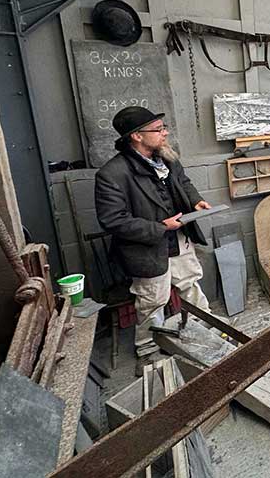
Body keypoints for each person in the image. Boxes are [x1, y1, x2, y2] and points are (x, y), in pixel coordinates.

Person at [95, 106, 212, 369]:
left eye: (163, 128)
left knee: (191, 286)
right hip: (147, 249)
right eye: (158, 130)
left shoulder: (167, 158)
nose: (165, 133)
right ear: (136, 136)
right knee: (152, 301)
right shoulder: (112, 174)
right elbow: (113, 220)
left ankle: (206, 329)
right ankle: (148, 349)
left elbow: (184, 182)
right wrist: (160, 227)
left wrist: (196, 201)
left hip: (179, 239)